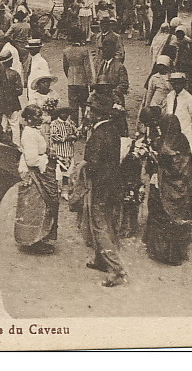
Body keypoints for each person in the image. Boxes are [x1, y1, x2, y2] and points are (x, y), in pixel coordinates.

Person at [78, 91, 127, 286]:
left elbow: (94, 163)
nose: (87, 113)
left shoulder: (99, 134)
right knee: (102, 220)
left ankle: (116, 270)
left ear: (97, 113)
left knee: (99, 225)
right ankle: (100, 259)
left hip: (100, 184)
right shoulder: (112, 129)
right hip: (111, 183)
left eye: (90, 110)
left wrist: (84, 165)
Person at [144, 114, 192, 266]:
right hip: (181, 187)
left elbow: (160, 165)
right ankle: (176, 254)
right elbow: (190, 163)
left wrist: (154, 161)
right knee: (177, 219)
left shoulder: (161, 142)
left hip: (164, 186)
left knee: (160, 214)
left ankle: (160, 251)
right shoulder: (182, 140)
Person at [14, 104, 58, 254]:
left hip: (39, 171)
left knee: (40, 207)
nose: (39, 119)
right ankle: (33, 241)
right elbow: (32, 160)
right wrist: (47, 157)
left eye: (40, 115)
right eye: (35, 116)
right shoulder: (29, 134)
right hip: (34, 173)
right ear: (27, 119)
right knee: (36, 207)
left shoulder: (34, 131)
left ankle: (39, 237)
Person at [161, 72, 192, 162]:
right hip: (170, 135)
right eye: (174, 83)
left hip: (185, 135)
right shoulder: (170, 96)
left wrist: (190, 132)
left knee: (184, 160)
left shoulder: (190, 99)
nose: (176, 85)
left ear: (183, 84)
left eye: (179, 83)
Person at [62, 27, 93, 125]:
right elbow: (87, 68)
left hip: (71, 81)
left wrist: (70, 76)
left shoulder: (66, 51)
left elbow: (65, 67)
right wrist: (91, 82)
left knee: (73, 106)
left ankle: (74, 125)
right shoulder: (84, 51)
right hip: (82, 81)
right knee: (84, 104)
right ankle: (84, 127)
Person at [49, 107, 78, 201]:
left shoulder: (71, 123)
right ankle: (56, 189)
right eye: (63, 114)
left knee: (67, 172)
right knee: (58, 172)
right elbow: (54, 136)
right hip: (59, 152)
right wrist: (66, 138)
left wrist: (75, 136)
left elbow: (76, 132)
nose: (65, 115)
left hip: (68, 151)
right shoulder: (54, 124)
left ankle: (64, 191)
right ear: (59, 114)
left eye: (67, 114)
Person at [93, 39, 129, 107]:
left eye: (106, 51)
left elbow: (124, 84)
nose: (103, 53)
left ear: (112, 52)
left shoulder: (119, 66)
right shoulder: (100, 64)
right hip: (100, 100)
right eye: (103, 50)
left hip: (115, 100)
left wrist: (112, 93)